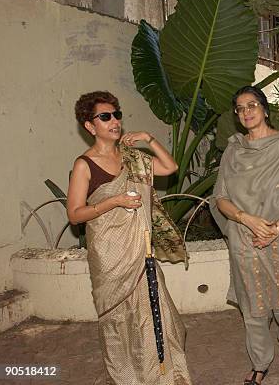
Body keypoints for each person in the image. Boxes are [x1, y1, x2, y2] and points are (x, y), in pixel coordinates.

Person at [66, 91, 192, 385]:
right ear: (89, 126)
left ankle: (162, 377)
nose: (114, 121)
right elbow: (74, 214)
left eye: (117, 115)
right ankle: (127, 378)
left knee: (155, 314)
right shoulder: (85, 164)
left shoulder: (133, 157)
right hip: (109, 254)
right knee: (118, 321)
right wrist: (114, 201)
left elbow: (169, 167)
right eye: (105, 117)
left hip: (141, 250)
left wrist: (149, 138)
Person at [210, 86, 279, 385]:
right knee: (254, 308)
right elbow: (220, 198)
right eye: (240, 108)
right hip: (246, 239)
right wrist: (247, 220)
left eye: (252, 105)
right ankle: (260, 363)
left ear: (265, 109)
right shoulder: (233, 151)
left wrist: (274, 229)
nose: (246, 112)